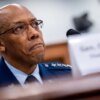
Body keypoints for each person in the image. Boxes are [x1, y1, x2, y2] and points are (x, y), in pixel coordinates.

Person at [0, 4, 72, 87]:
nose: (35, 33)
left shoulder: (67, 75)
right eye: (19, 28)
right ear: (1, 44)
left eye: (35, 24)